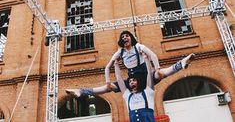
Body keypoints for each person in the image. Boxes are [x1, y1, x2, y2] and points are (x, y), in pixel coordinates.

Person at [66, 30, 195, 97]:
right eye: (123, 37)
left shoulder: (138, 46)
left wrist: (157, 68)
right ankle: (81, 91)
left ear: (131, 38)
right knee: (107, 88)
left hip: (146, 75)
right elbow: (107, 67)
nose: (125, 38)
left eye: (127, 36)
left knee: (162, 73)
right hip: (132, 79)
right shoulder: (120, 52)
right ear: (121, 41)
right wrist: (107, 81)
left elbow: (153, 55)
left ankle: (182, 63)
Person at [114, 51, 155, 122]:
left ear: (139, 82)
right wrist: (116, 64)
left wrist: (145, 58)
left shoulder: (148, 92)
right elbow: (119, 78)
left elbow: (150, 73)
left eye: (134, 80)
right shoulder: (127, 95)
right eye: (130, 81)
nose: (132, 82)